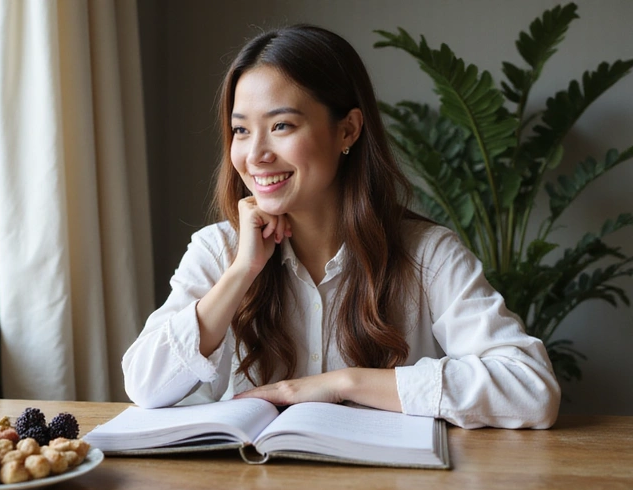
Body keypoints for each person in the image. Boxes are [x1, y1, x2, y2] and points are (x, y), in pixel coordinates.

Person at [122, 24, 560, 429]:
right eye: (240, 130)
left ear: (347, 130)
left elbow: (531, 388)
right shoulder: (218, 251)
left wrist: (343, 384)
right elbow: (144, 385)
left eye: (281, 126)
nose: (255, 155)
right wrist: (241, 272)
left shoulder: (427, 254)